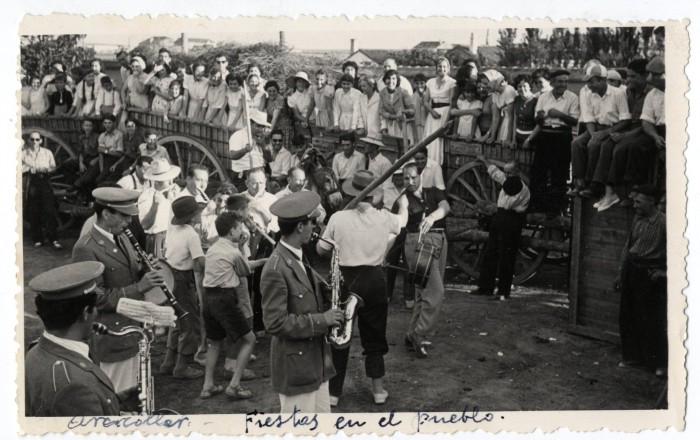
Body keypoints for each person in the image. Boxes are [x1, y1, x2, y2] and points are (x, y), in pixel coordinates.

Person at [317, 170, 407, 406]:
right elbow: (403, 221)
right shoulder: (383, 217)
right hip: (375, 279)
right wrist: (404, 202)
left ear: (352, 193)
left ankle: (333, 394)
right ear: (373, 196)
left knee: (340, 335)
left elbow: (320, 250)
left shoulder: (338, 218)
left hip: (347, 279)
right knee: (375, 335)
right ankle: (378, 391)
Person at [72, 187, 165, 393]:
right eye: (124, 217)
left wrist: (144, 269)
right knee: (119, 397)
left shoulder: (122, 236)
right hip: (113, 336)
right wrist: (140, 286)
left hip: (135, 331)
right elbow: (94, 299)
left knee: (140, 393)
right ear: (106, 214)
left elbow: (127, 273)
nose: (130, 222)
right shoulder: (86, 247)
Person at [260, 191, 343, 413]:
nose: (315, 227)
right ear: (300, 227)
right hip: (296, 369)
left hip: (316, 364)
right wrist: (322, 320)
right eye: (312, 222)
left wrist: (329, 289)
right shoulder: (276, 268)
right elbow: (275, 323)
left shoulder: (297, 256)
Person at [25, 261, 124, 416]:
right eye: (95, 309)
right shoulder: (75, 387)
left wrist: (115, 401)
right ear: (86, 313)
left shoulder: (34, 351)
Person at [200, 212, 266, 400]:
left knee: (215, 343)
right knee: (250, 339)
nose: (242, 230)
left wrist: (261, 261)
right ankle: (234, 385)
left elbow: (240, 265)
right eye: (239, 228)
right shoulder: (234, 251)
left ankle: (208, 386)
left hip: (209, 298)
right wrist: (244, 247)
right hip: (224, 299)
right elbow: (245, 271)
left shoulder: (213, 249)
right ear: (232, 231)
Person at [614, 185, 667, 377]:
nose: (634, 204)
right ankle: (632, 358)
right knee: (627, 316)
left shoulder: (664, 223)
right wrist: (621, 273)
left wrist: (664, 272)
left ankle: (659, 364)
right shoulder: (637, 219)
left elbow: (681, 251)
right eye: (634, 201)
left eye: (638, 201)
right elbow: (628, 246)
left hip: (649, 274)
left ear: (651, 201)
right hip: (632, 269)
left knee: (651, 320)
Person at [592, 59, 654, 211]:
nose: (629, 80)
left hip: (645, 130)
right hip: (629, 128)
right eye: (628, 76)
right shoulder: (628, 91)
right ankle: (607, 191)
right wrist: (620, 132)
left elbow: (646, 123)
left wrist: (626, 136)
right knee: (606, 144)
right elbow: (625, 117)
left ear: (644, 76)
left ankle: (623, 192)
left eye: (633, 76)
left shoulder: (652, 93)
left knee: (621, 148)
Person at [402, 162, 450, 358]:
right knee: (435, 291)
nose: (410, 181)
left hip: (440, 239)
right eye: (406, 178)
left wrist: (431, 217)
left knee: (424, 293)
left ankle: (411, 333)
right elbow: (399, 219)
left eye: (413, 177)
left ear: (420, 176)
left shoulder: (433, 192)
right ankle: (420, 334)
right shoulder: (403, 199)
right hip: (420, 243)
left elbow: (446, 206)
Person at [469, 156, 530, 301]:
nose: (507, 175)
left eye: (510, 173)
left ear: (517, 172)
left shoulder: (520, 188)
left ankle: (503, 292)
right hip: (500, 218)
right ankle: (485, 287)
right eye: (506, 173)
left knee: (506, 257)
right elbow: (497, 174)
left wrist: (502, 176)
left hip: (512, 221)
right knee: (490, 252)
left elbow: (505, 183)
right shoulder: (508, 180)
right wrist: (485, 161)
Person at [570, 64, 631, 206]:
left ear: (603, 80)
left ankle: (594, 185)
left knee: (596, 144)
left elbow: (626, 120)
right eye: (588, 82)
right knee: (577, 143)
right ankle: (580, 183)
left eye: (593, 81)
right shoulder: (588, 95)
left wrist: (604, 133)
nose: (589, 85)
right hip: (596, 128)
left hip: (615, 127)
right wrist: (593, 135)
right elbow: (588, 118)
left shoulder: (618, 93)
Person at [160, 196, 206, 379]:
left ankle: (168, 361)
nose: (201, 213)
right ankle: (181, 366)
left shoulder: (175, 230)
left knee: (177, 320)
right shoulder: (191, 234)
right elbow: (200, 261)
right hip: (182, 279)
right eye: (198, 211)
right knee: (190, 321)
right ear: (192, 216)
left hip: (170, 276)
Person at [531, 69, 580, 214]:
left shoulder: (572, 98)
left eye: (565, 81)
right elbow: (538, 119)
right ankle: (537, 208)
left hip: (562, 137)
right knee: (539, 173)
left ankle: (555, 210)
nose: (563, 84)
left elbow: (574, 120)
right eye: (560, 81)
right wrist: (540, 116)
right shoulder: (544, 97)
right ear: (552, 83)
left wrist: (559, 114)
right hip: (545, 136)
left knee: (559, 175)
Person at [382, 166, 415, 309]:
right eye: (395, 176)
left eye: (401, 177)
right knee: (390, 261)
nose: (398, 179)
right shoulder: (387, 189)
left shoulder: (412, 193)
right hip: (392, 229)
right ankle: (387, 294)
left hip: (408, 231)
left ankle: (409, 297)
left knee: (409, 265)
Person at [22, 132, 61, 249]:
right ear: (28, 140)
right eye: (32, 139)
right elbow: (19, 167)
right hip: (32, 182)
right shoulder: (24, 154)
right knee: (34, 211)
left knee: (50, 210)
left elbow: (54, 168)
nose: (34, 142)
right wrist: (29, 168)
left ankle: (53, 239)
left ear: (41, 141)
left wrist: (47, 169)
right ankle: (38, 239)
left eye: (37, 140)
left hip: (45, 181)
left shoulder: (47, 153)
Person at [138, 159, 182, 258]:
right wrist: (155, 204)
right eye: (167, 179)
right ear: (157, 182)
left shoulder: (175, 192)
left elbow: (182, 218)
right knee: (160, 270)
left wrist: (177, 199)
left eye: (171, 178)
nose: (171, 182)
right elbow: (145, 225)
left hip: (174, 236)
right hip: (157, 239)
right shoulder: (146, 196)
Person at [424, 57, 456, 164]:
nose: (441, 68)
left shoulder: (452, 83)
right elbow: (425, 101)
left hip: (445, 113)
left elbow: (452, 103)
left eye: (444, 66)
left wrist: (447, 122)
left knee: (440, 142)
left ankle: (439, 165)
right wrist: (432, 112)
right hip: (433, 115)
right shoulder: (430, 82)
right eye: (439, 66)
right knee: (431, 142)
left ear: (448, 68)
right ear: (436, 68)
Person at [228, 109, 270, 191]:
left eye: (262, 127)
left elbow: (270, 159)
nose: (260, 129)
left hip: (260, 174)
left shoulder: (262, 138)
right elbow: (232, 156)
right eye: (258, 126)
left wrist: (263, 145)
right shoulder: (238, 136)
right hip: (243, 176)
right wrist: (245, 150)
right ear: (250, 123)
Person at [379, 70, 415, 142]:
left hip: (404, 125)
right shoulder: (382, 93)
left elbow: (412, 110)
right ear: (385, 80)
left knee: (406, 147)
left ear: (397, 80)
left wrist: (403, 112)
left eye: (393, 78)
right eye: (388, 78)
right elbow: (382, 112)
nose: (391, 81)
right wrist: (395, 116)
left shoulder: (403, 92)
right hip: (391, 126)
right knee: (394, 148)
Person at [509, 74, 539, 149]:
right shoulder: (517, 99)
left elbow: (539, 125)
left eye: (524, 86)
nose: (522, 89)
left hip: (532, 140)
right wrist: (513, 140)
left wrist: (528, 140)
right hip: (518, 139)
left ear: (530, 87)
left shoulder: (536, 101)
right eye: (519, 86)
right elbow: (515, 120)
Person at [71, 119, 100, 195]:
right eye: (86, 125)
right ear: (83, 126)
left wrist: (96, 159)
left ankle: (79, 190)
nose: (88, 127)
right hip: (84, 158)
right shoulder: (81, 138)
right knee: (66, 166)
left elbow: (101, 152)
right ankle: (74, 188)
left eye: (90, 125)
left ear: (93, 127)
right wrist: (80, 163)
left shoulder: (97, 137)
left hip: (94, 158)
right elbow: (80, 152)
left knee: (88, 177)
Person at [94, 114, 125, 186]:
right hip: (103, 158)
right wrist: (101, 170)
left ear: (114, 123)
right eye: (105, 123)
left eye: (109, 123)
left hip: (114, 159)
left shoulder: (119, 134)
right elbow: (100, 152)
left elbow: (119, 154)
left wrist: (105, 151)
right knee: (92, 176)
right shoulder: (102, 135)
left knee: (99, 180)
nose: (107, 125)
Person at [265, 80, 295, 149]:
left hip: (284, 128)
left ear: (277, 91)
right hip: (275, 128)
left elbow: (275, 117)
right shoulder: (267, 100)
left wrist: (269, 132)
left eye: (274, 91)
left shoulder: (279, 99)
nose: (272, 93)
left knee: (284, 150)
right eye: (269, 91)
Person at [475, 72, 498, 143]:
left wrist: (488, 135)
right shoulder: (478, 98)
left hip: (489, 135)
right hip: (478, 133)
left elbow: (496, 118)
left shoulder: (493, 98)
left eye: (483, 87)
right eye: (478, 88)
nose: (480, 90)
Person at [413, 73, 431, 142]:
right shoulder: (411, 97)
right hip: (416, 126)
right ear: (414, 85)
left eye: (422, 83)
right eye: (417, 83)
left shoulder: (429, 96)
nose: (419, 85)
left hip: (427, 125)